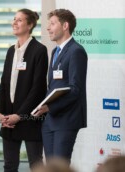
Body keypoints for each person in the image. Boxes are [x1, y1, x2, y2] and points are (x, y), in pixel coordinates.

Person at [0, 8, 48, 172]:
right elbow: (4, 84)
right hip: (8, 117)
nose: (14, 23)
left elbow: (38, 88)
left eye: (19, 20)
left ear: (30, 24)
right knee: (9, 165)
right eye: (14, 19)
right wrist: (0, 113)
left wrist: (19, 115)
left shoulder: (39, 50)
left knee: (36, 164)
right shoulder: (11, 51)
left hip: (29, 116)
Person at [34, 9, 88, 164]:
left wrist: (50, 107)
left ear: (65, 26)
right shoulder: (55, 51)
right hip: (50, 120)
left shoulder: (76, 51)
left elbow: (75, 89)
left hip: (66, 119)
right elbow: (53, 86)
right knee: (51, 166)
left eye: (52, 23)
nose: (48, 28)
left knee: (60, 166)